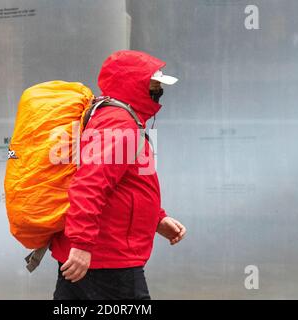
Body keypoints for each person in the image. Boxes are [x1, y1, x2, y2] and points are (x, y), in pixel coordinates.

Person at [50, 50, 187, 300]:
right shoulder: (120, 124)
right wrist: (81, 244)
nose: (157, 94)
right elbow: (89, 184)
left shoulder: (120, 120)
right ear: (134, 86)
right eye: (153, 86)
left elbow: (127, 183)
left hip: (98, 255)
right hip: (107, 260)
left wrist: (157, 218)